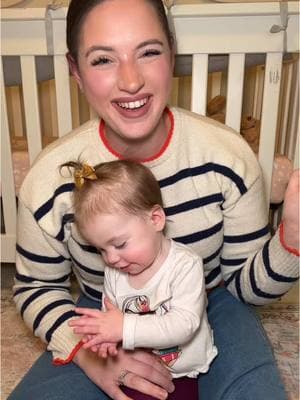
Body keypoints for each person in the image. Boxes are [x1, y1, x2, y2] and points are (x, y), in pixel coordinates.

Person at [9, 0, 299, 399]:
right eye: (103, 59)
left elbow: (244, 289)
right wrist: (88, 355)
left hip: (213, 301)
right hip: (106, 307)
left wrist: (291, 241)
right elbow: (36, 287)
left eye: (148, 52)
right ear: (75, 71)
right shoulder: (49, 179)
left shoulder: (227, 156)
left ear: (172, 55)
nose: (131, 81)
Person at [62, 159, 217, 400]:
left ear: (155, 219)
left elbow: (184, 324)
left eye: (120, 244)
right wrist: (104, 340)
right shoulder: (115, 270)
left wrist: (123, 327)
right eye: (101, 249)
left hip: (181, 370)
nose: (111, 258)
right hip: (133, 363)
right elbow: (110, 315)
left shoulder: (185, 265)